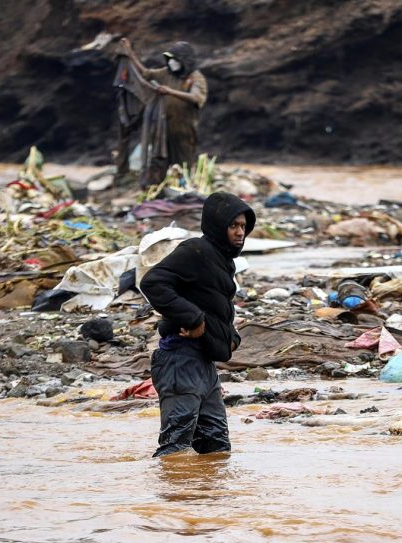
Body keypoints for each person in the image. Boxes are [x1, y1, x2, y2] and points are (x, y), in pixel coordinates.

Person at [139, 191, 254, 457]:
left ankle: (208, 499)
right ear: (217, 225)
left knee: (216, 449)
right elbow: (153, 282)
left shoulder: (223, 260)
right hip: (180, 359)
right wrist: (192, 318)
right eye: (233, 225)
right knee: (174, 450)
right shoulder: (195, 250)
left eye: (243, 227)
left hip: (205, 365)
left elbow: (215, 306)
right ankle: (172, 497)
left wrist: (230, 337)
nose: (240, 233)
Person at [115, 38, 208, 186]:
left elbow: (196, 98)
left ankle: (183, 189)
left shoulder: (195, 78)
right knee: (160, 162)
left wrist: (170, 91)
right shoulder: (166, 73)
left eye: (174, 60)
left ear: (184, 61)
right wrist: (130, 53)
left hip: (183, 131)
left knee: (183, 164)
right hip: (162, 129)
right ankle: (159, 189)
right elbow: (146, 74)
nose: (171, 63)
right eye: (169, 59)